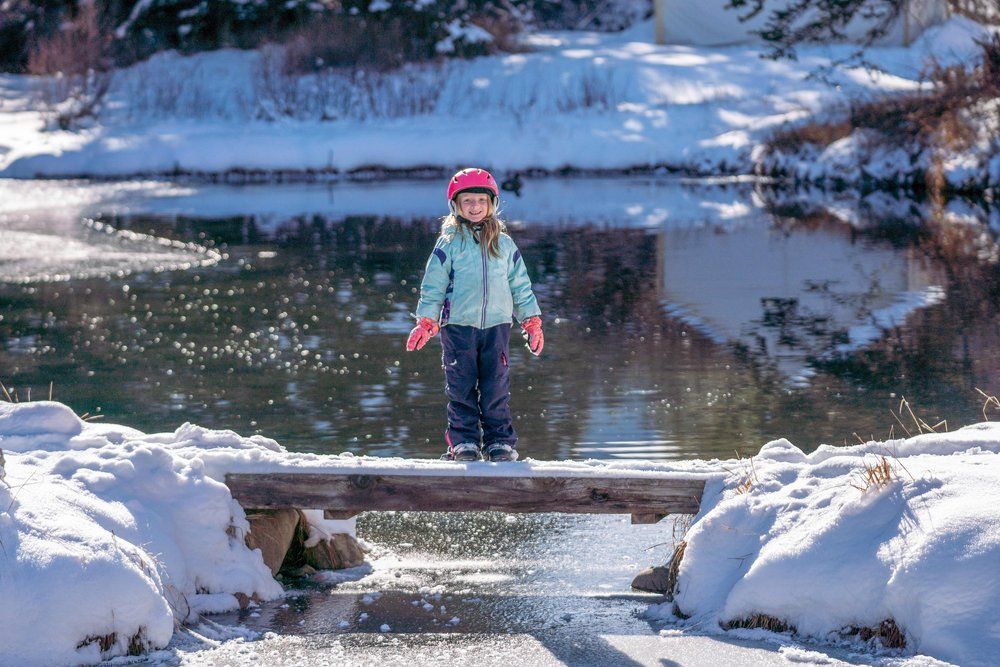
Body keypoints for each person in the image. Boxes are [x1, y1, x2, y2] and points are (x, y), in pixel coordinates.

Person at [405, 168, 543, 462]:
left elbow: (520, 284)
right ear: (456, 205)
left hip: (497, 326)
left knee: (496, 386)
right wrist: (427, 322)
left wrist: (531, 321)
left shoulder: (504, 244)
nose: (475, 206)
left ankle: (499, 443)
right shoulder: (449, 242)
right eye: (468, 201)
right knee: (461, 386)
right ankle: (464, 441)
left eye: (481, 200)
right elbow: (433, 284)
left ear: (492, 203)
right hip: (458, 326)